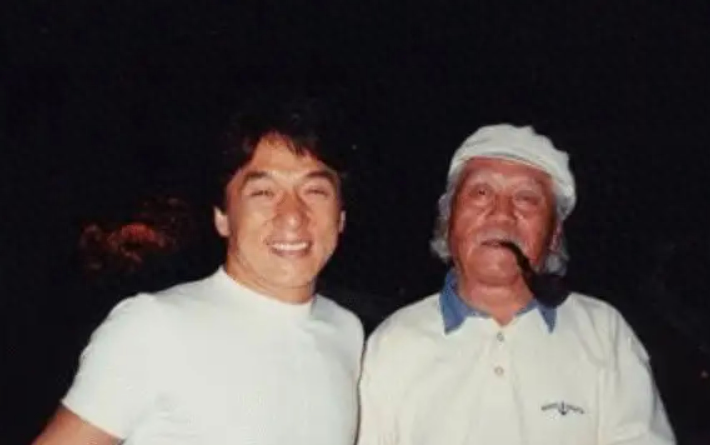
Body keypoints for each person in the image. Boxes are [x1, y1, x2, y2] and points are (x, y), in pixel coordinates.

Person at [33, 95, 364, 445]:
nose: (293, 216)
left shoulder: (346, 332)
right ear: (222, 216)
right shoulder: (153, 327)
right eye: (264, 192)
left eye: (315, 191)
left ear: (341, 215)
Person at [357, 124, 675, 445]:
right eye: (481, 193)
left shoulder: (603, 333)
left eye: (526, 199)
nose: (502, 215)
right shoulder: (393, 343)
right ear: (448, 218)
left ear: (554, 235)